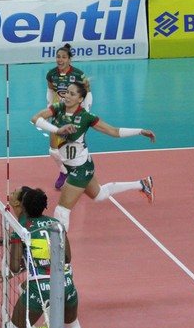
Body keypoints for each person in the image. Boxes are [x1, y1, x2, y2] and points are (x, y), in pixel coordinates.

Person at [31, 81, 155, 232]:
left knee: (61, 211)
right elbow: (36, 118)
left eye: (72, 94)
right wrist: (57, 130)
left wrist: (140, 131)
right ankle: (142, 184)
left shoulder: (86, 117)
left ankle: (59, 251)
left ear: (80, 99)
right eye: (67, 92)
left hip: (80, 168)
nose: (67, 96)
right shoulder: (58, 108)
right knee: (99, 195)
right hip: (73, 165)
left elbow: (114, 131)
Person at [1, 186, 87, 328]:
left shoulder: (21, 229)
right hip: (66, 284)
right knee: (73, 327)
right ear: (44, 206)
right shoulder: (57, 224)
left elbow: (13, 266)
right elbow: (67, 258)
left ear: (23, 206)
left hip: (38, 288)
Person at [45, 44, 91, 190]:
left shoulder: (78, 75)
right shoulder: (51, 74)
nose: (60, 60)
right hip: (59, 112)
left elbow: (87, 92)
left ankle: (80, 172)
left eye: (64, 57)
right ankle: (64, 171)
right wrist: (49, 108)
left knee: (75, 144)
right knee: (53, 150)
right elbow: (51, 90)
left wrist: (86, 109)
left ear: (70, 59)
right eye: (58, 57)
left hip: (76, 112)